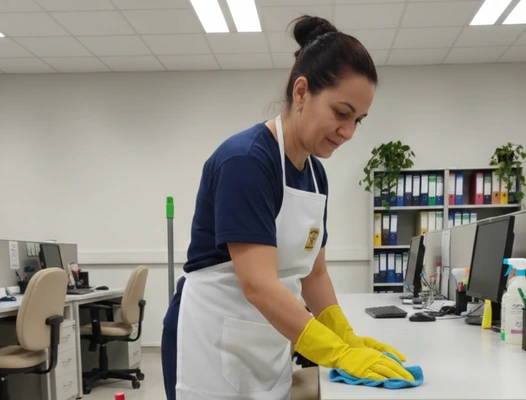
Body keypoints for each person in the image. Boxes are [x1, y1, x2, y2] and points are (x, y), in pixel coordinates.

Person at [161, 15, 414, 400]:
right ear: (302, 92)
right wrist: (337, 353)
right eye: (341, 113)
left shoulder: (315, 174)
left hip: (264, 344)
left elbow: (314, 274)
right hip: (210, 342)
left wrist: (345, 336)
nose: (348, 132)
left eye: (358, 121)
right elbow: (258, 284)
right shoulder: (246, 161)